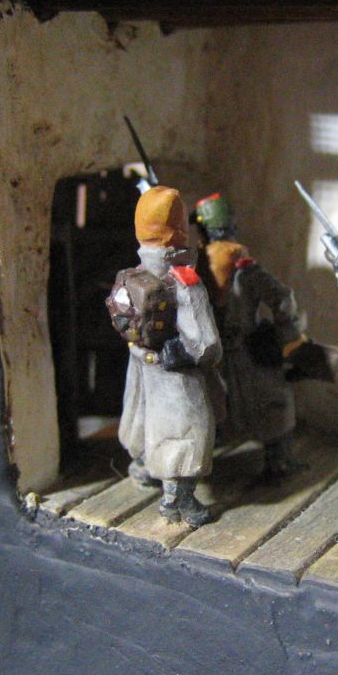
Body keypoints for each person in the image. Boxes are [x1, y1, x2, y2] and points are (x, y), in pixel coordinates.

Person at [106, 185, 222, 526]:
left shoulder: (134, 274)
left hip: (141, 364)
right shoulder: (184, 280)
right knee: (187, 428)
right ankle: (176, 500)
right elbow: (206, 344)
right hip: (175, 371)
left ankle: (143, 466)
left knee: (143, 417)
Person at [191, 193, 306, 480]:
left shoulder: (196, 267)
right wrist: (285, 336)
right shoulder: (244, 268)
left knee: (210, 406)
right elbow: (282, 297)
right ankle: (278, 460)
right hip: (245, 350)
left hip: (210, 352)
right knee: (271, 404)